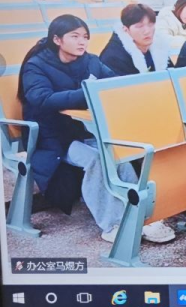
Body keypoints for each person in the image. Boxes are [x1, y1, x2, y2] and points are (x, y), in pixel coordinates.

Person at [18, 15, 175, 244]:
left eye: (85, 36)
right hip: (52, 137)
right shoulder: (36, 66)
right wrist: (89, 93)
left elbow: (113, 85)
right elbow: (41, 98)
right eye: (75, 36)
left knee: (119, 154)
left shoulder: (91, 61)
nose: (82, 41)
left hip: (86, 130)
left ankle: (142, 216)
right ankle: (113, 223)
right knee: (97, 160)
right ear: (57, 39)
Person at [98, 3, 173, 77]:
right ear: (126, 29)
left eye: (150, 24)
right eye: (139, 26)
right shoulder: (113, 58)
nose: (147, 31)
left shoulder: (159, 47)